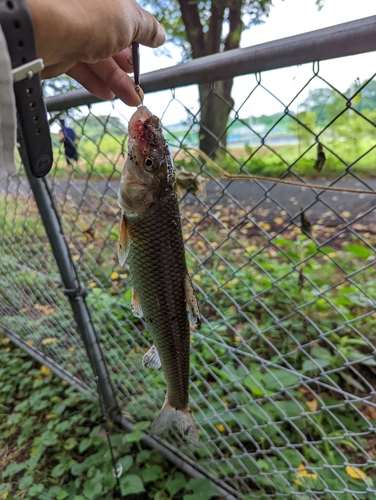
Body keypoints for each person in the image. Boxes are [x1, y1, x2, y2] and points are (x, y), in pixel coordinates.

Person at [0, 0, 165, 180]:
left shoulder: (64, 130)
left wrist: (23, 26)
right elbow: (73, 136)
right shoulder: (69, 130)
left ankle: (73, 173)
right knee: (74, 159)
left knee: (71, 160)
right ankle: (76, 172)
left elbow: (63, 137)